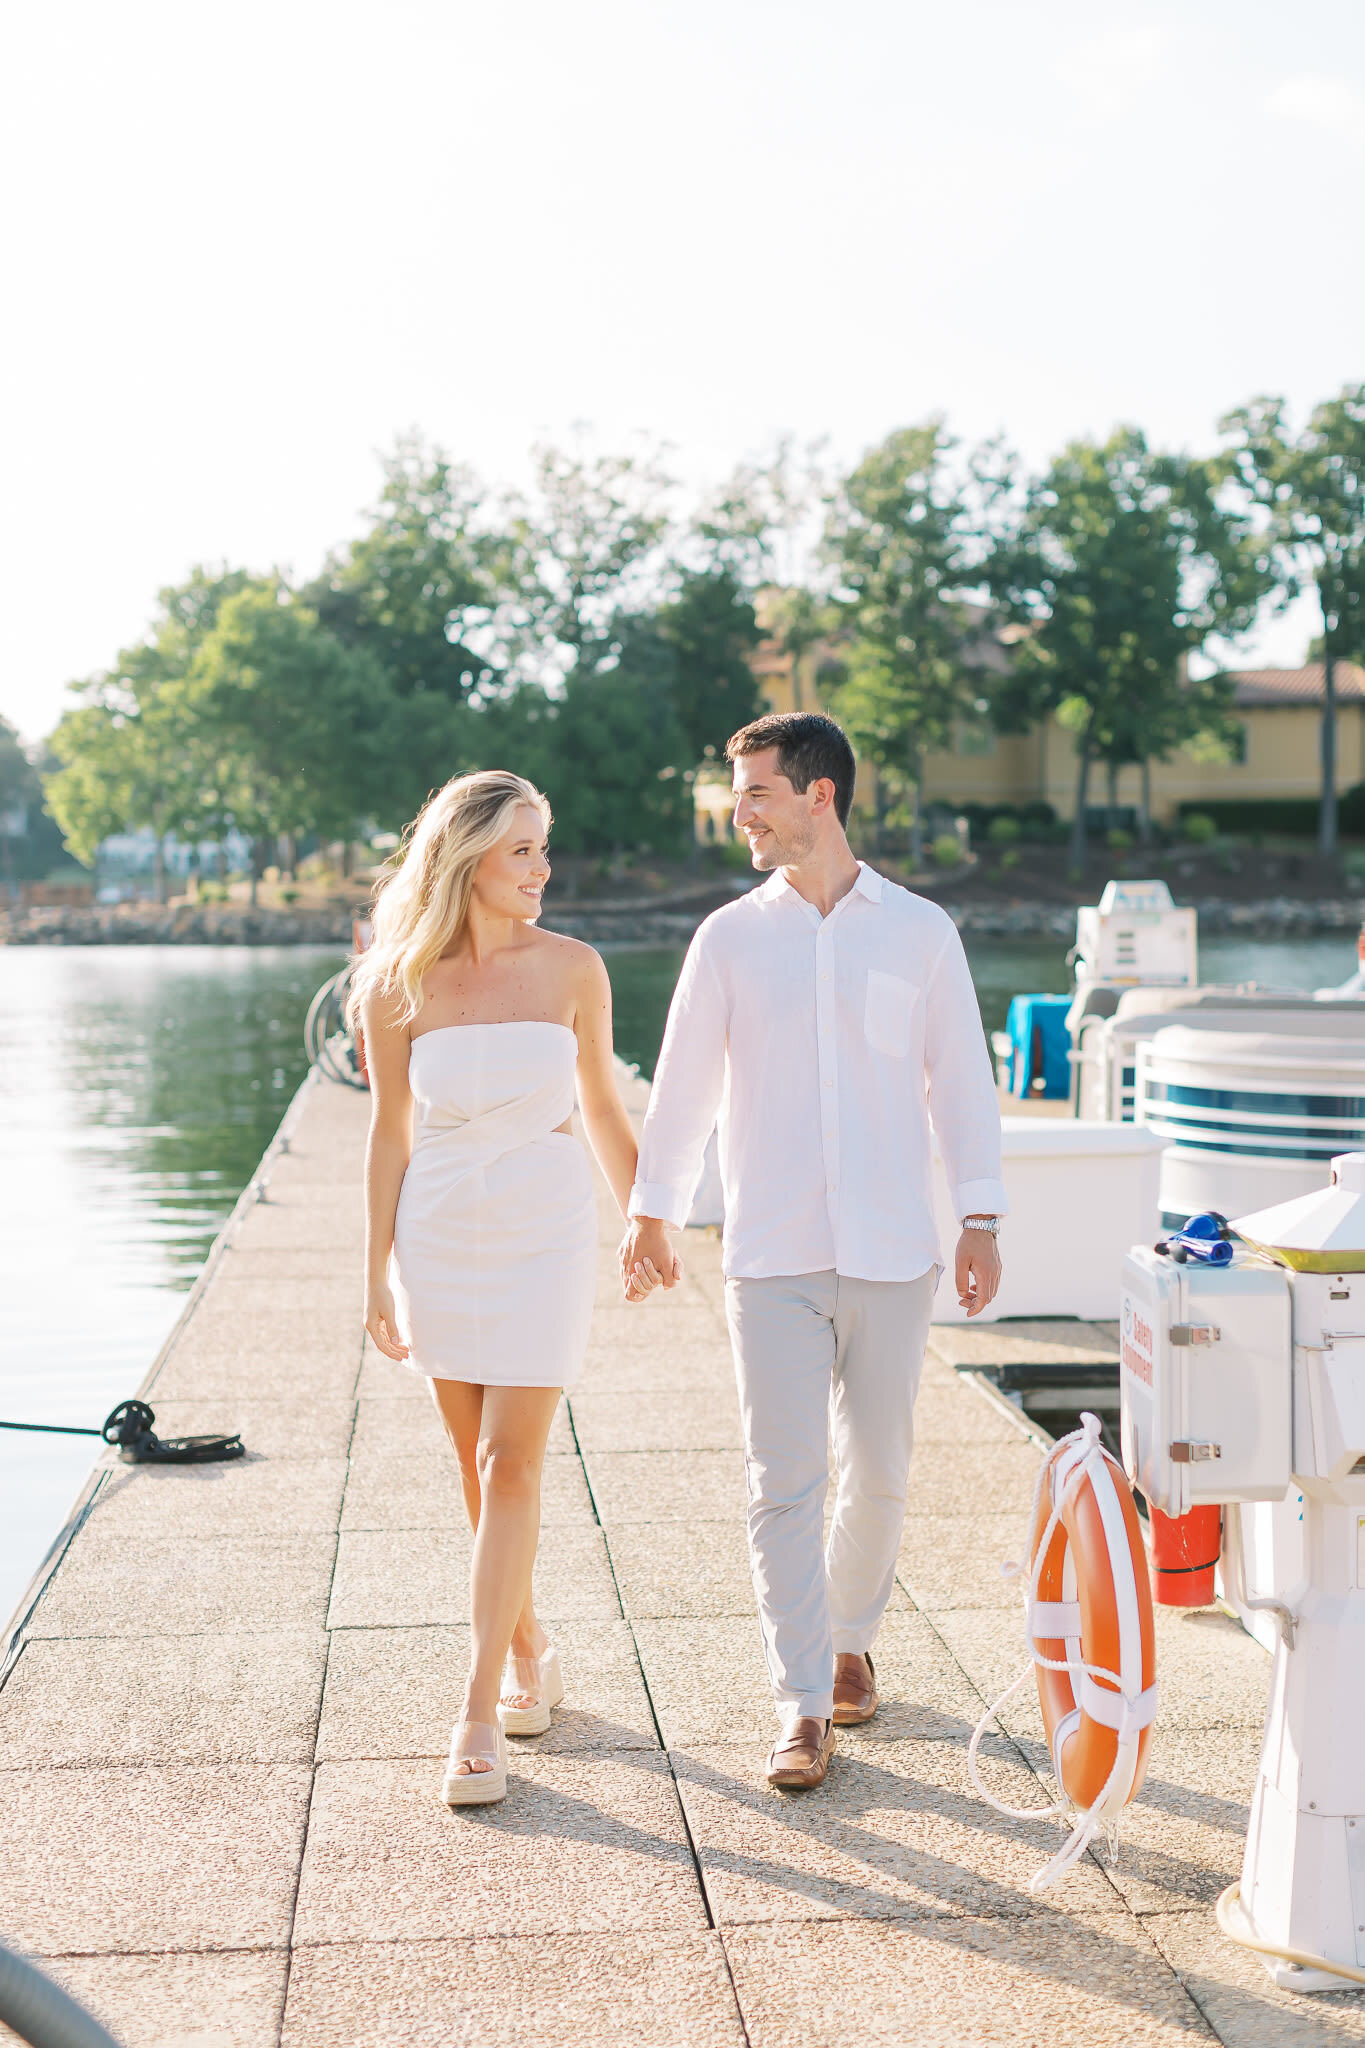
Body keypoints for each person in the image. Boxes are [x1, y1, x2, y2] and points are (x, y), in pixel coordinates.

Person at [620, 713, 1005, 1791]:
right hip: (774, 1249)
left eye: (754, 792)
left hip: (895, 1245)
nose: (738, 811)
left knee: (879, 1469)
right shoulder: (729, 939)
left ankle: (848, 1634)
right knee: (782, 1479)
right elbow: (685, 1086)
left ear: (818, 794)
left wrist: (980, 1215)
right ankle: (800, 1700)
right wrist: (652, 1208)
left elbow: (960, 1082)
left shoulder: (921, 931)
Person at [352, 770, 665, 1807]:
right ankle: (527, 1637)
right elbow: (389, 1129)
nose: (542, 867)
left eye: (544, 846)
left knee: (511, 1458)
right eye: (522, 848)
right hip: (438, 1228)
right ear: (466, 856)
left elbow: (607, 1110)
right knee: (474, 1467)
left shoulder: (574, 968)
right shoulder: (397, 979)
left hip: (543, 1225)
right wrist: (375, 1272)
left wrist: (645, 1215)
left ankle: (478, 1707)